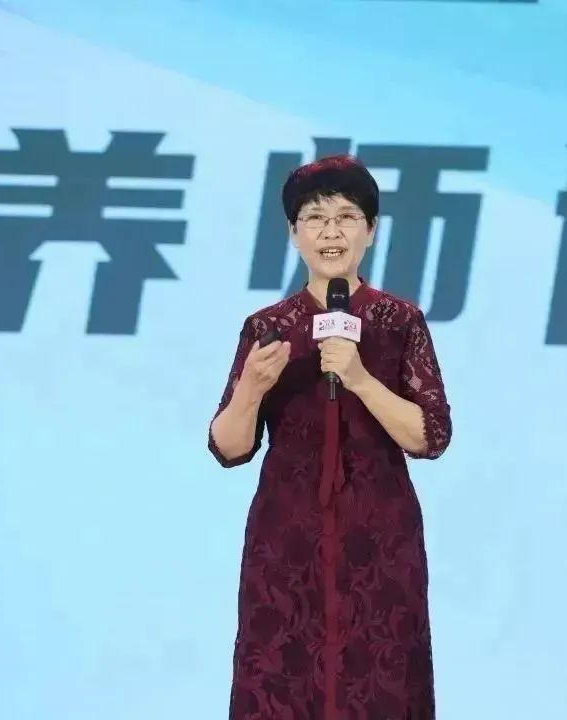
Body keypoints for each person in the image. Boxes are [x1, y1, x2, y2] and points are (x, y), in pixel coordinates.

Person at [208, 154, 452, 719]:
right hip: (287, 539)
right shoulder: (268, 327)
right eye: (315, 218)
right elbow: (228, 448)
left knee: (381, 681)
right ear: (294, 233)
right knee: (283, 682)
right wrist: (250, 389)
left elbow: (431, 436)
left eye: (346, 217)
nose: (331, 232)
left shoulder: (399, 321)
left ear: (371, 230)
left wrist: (361, 378)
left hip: (379, 537)